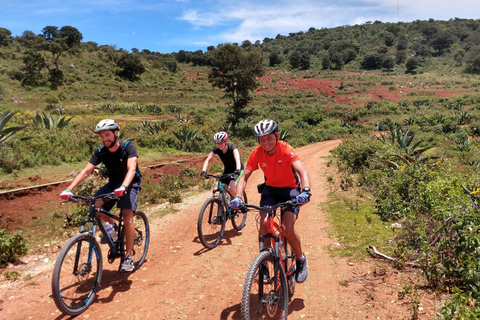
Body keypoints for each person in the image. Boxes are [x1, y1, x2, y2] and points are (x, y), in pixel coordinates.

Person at [229, 119, 311, 283]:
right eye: (262, 139)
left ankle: (301, 259)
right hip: (271, 190)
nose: (266, 143)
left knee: (287, 228)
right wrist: (238, 196)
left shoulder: (286, 149)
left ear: (277, 136)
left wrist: (306, 190)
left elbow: (302, 171)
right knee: (265, 224)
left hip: (290, 190)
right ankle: (265, 266)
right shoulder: (257, 152)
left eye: (269, 138)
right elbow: (244, 176)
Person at [60, 119, 142, 272]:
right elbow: (86, 171)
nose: (105, 139)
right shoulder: (100, 151)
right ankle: (113, 230)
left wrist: (124, 186)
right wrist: (69, 189)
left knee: (127, 215)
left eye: (107, 135)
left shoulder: (127, 147)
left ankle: (129, 256)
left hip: (130, 183)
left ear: (115, 133)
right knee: (95, 204)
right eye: (102, 136)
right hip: (114, 183)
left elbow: (131, 169)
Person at [200, 131, 243, 198]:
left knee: (231, 187)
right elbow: (208, 159)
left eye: (221, 143)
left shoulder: (232, 148)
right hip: (227, 171)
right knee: (222, 193)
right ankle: (223, 207)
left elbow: (237, 159)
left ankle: (237, 202)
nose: (219, 145)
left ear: (225, 142)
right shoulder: (217, 149)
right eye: (217, 143)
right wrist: (203, 171)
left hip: (237, 170)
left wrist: (238, 170)